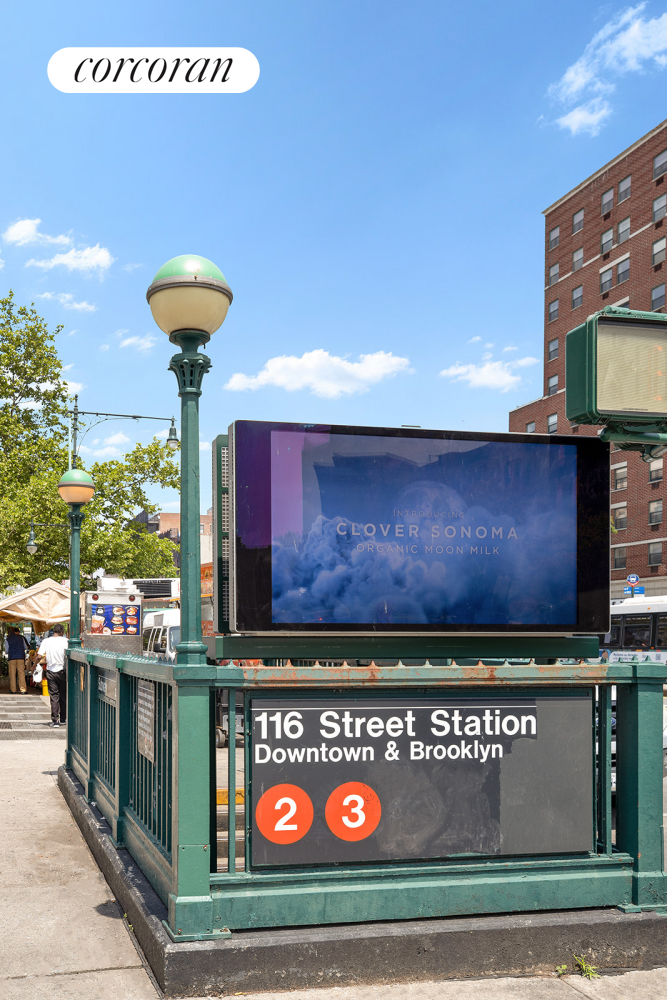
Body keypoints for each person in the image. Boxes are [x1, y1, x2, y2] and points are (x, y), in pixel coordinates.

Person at [37, 624, 68, 728]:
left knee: (54, 696)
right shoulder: (66, 641)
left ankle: (55, 721)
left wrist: (34, 666)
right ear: (62, 632)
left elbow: (39, 656)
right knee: (63, 695)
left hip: (50, 672)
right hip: (62, 671)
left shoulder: (46, 641)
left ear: (53, 631)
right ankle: (63, 719)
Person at [4, 626, 28, 694]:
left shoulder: (8, 639)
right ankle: (23, 690)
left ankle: (13, 690)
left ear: (8, 632)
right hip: (20, 657)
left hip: (12, 658)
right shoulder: (21, 637)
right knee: (21, 674)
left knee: (12, 674)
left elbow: (6, 651)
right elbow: (25, 647)